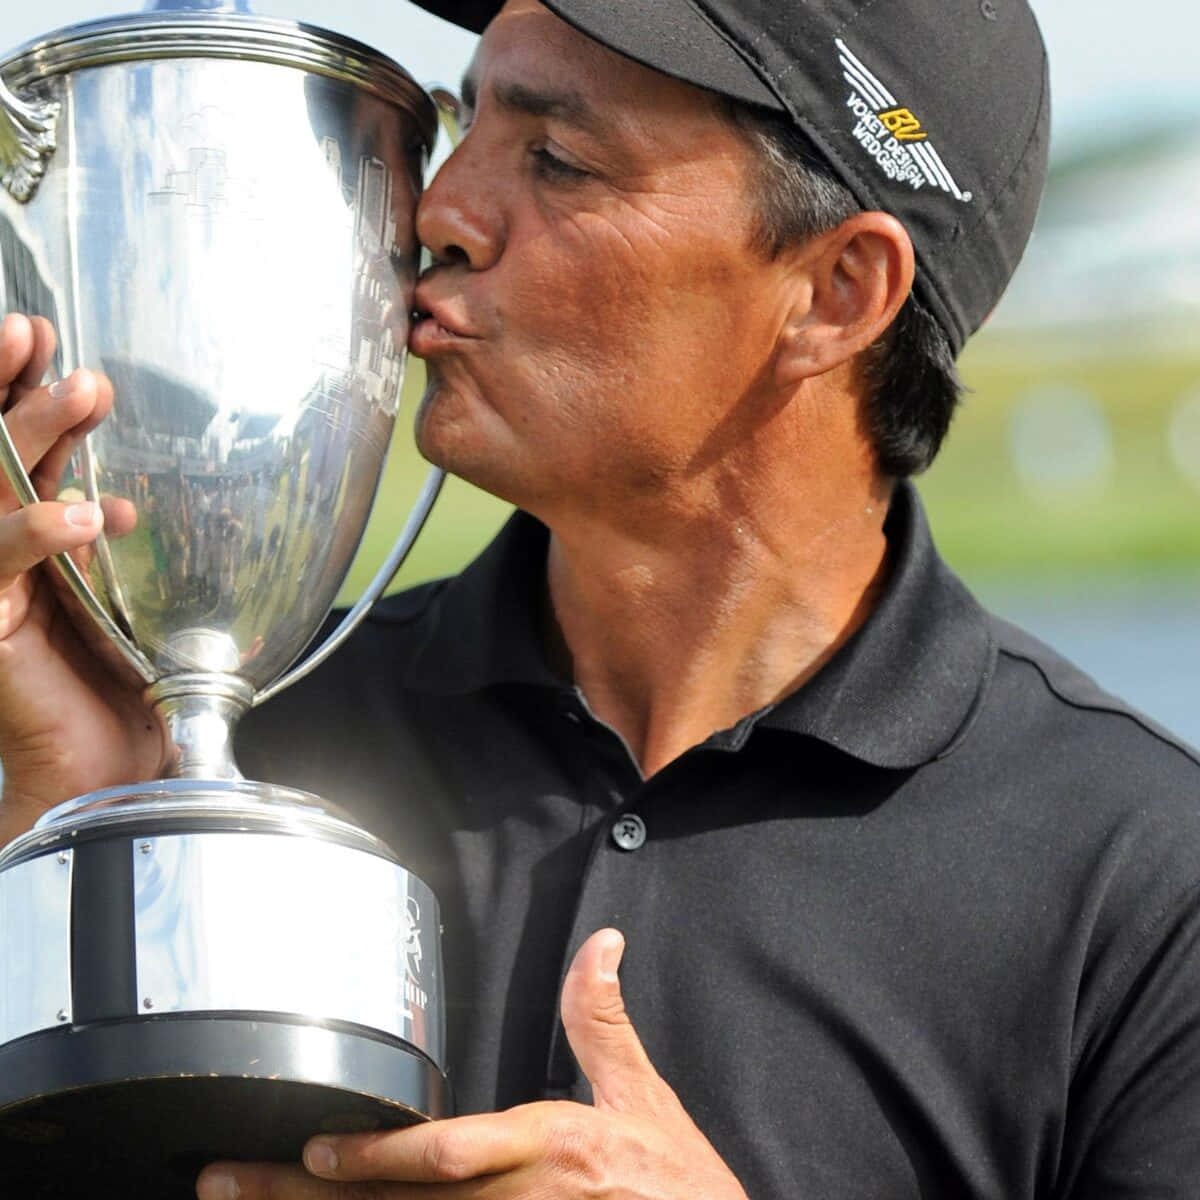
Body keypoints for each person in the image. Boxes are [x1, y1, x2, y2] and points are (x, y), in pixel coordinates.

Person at [1, 1, 1198, 1196]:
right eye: (466, 123)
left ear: (837, 290)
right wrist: (69, 833)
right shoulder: (237, 754)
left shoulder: (1146, 885)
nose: (438, 212)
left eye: (558, 160)